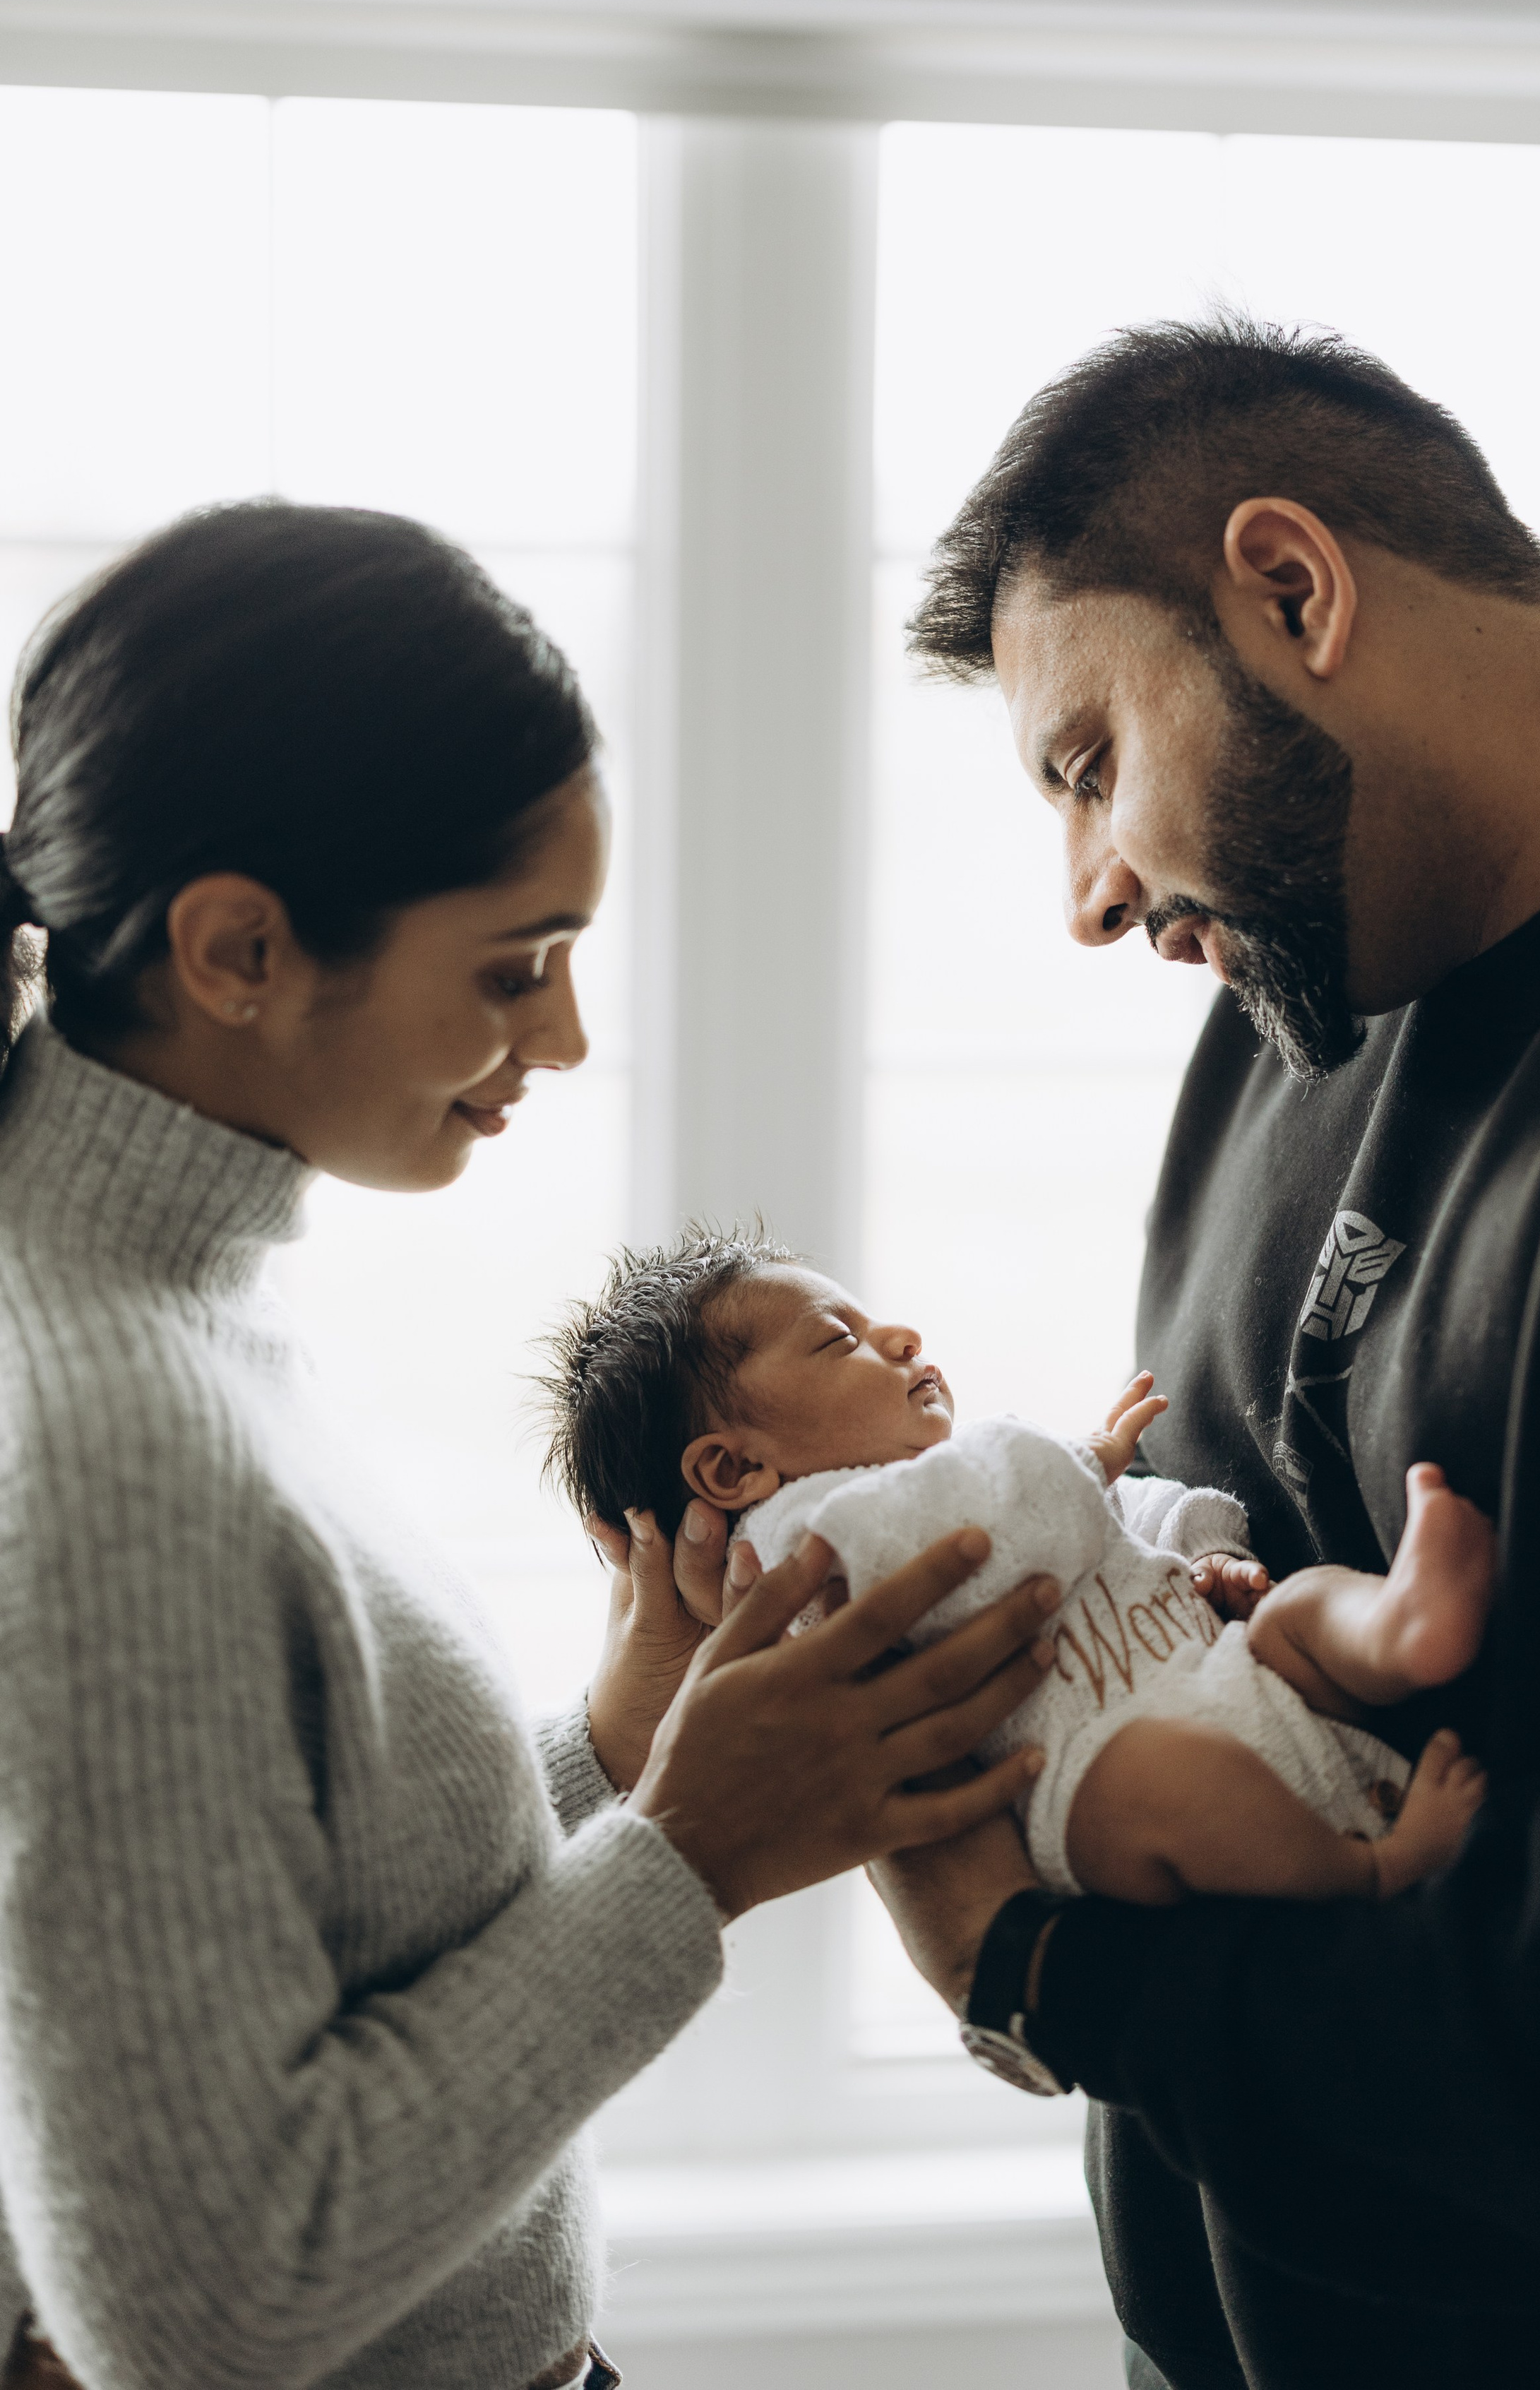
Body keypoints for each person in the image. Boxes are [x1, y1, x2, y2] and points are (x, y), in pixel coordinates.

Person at [0, 501, 1055, 2390]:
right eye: (512, 966)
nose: (561, 1040)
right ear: (237, 948)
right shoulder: (104, 1444)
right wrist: (693, 1853)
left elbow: (285, 1959)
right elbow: (199, 2311)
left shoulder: (174, 1314)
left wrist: (614, 1766)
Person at [852, 318, 1540, 2390]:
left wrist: (1034, 1968)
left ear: (1291, 590)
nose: (1090, 899)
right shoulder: (1301, 996)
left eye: (1088, 759)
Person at [545, 1231, 1491, 1917]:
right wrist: (1086, 1455)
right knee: (1155, 1782)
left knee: (1302, 1609)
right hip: (1097, 1773)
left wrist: (1210, 1552)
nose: (903, 1337)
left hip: (1227, 1679)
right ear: (734, 1470)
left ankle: (1397, 1626)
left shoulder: (986, 1471)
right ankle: (1370, 1870)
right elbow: (997, 1523)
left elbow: (1122, 1522)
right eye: (839, 1341)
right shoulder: (800, 1554)